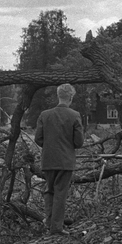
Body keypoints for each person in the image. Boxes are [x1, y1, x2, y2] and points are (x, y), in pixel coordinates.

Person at [33, 83, 84, 234]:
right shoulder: (75, 115)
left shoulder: (45, 115)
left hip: (48, 160)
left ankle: (49, 222)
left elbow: (38, 138)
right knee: (60, 192)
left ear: (58, 96)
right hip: (65, 161)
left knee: (49, 190)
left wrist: (49, 146)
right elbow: (79, 142)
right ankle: (56, 228)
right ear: (71, 97)